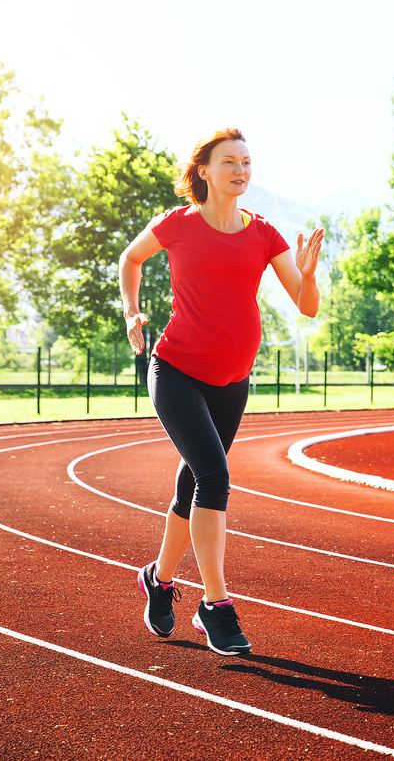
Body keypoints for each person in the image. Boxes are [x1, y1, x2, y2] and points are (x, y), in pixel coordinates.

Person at [119, 128, 322, 656]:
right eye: (229, 162)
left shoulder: (264, 235)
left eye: (247, 163)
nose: (241, 170)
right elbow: (131, 259)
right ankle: (216, 605)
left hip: (232, 380)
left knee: (194, 485)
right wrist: (131, 310)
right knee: (214, 477)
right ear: (204, 171)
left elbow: (306, 306)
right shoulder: (177, 225)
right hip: (177, 370)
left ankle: (158, 580)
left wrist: (307, 274)